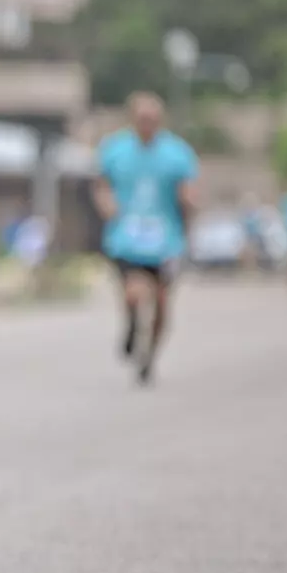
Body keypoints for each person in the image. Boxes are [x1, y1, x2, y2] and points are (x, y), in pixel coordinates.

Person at [91, 92, 199, 385]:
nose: (147, 124)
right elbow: (102, 185)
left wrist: (189, 207)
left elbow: (188, 191)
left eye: (152, 119)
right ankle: (131, 324)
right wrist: (107, 204)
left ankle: (149, 356)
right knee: (134, 291)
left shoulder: (177, 154)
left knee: (161, 303)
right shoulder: (115, 150)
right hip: (127, 236)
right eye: (142, 118)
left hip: (165, 238)